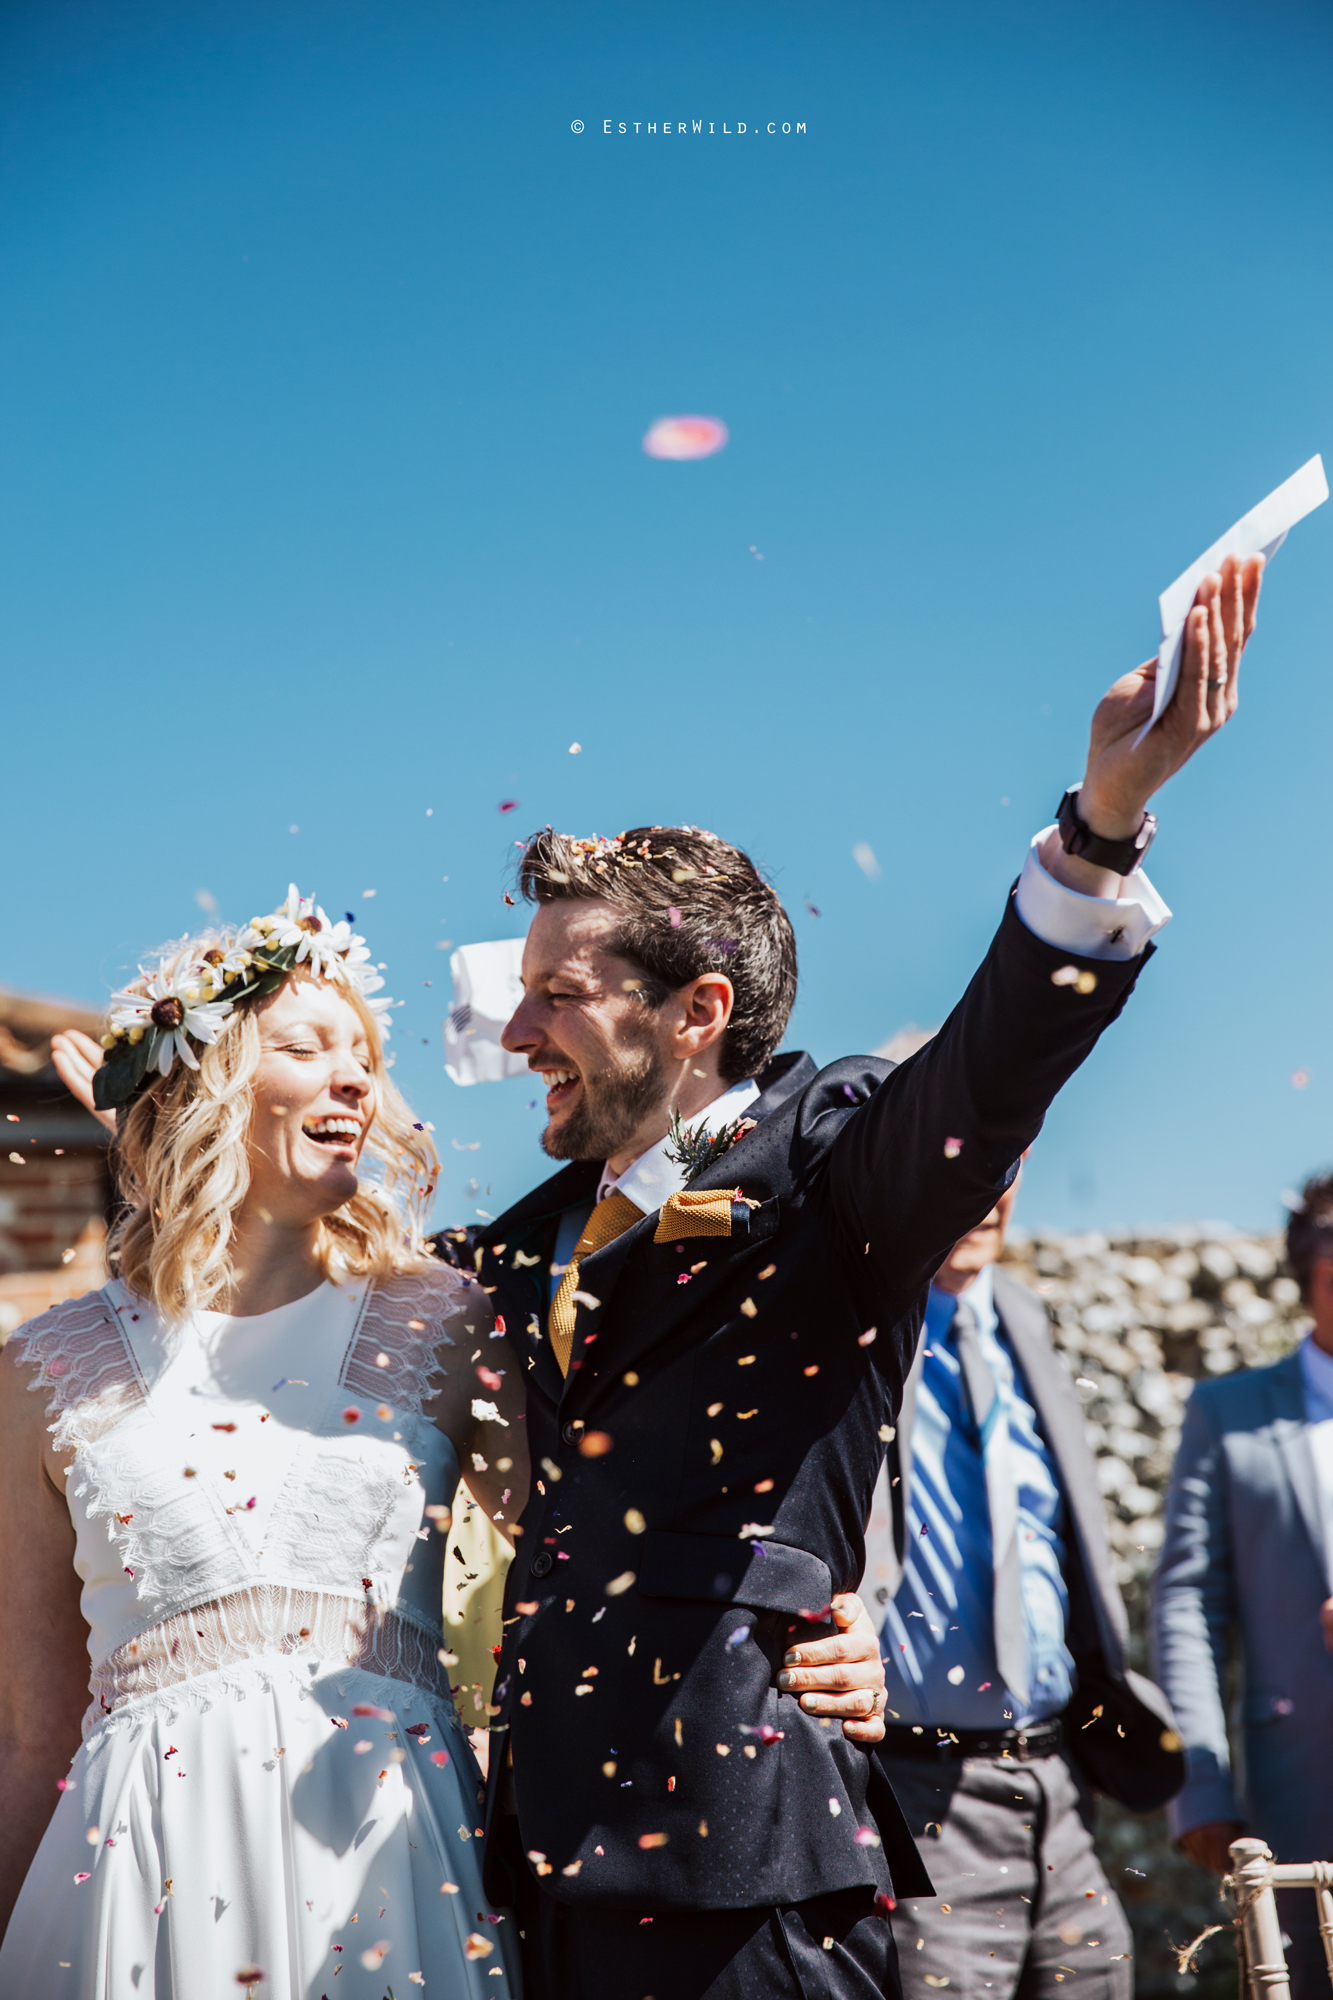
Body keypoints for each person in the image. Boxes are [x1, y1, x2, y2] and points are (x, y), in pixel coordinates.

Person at [439, 555, 1263, 2000]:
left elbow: (986, 1074)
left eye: (556, 995)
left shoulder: (825, 1170)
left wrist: (1102, 823)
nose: (516, 1035)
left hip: (747, 1868)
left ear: (694, 1015)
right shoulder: (510, 1247)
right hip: (541, 1876)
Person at [0, 891, 529, 1997]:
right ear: (203, 1084)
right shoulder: (41, 1366)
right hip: (134, 1877)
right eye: (304, 1045)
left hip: (392, 1860)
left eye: (365, 1056)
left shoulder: (448, 1319)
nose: (356, 1079)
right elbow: (33, 1734)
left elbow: (579, 1585)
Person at [863, 1172, 1183, 2000]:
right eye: (955, 1161)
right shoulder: (849, 1334)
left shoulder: (1023, 1321)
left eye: (1003, 1165)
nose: (981, 1191)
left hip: (1060, 1788)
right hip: (920, 1795)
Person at [1152, 1169, 1333, 2000]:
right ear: (1309, 1275)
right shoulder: (1228, 1415)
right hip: (1297, 1798)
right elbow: (1188, 1601)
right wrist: (1199, 1781)